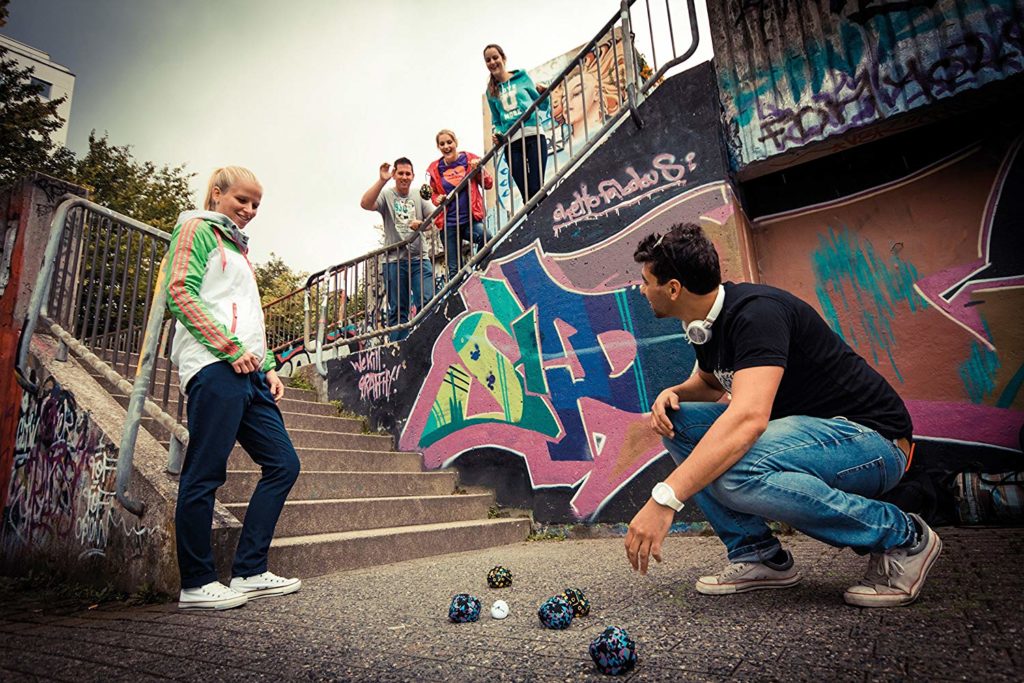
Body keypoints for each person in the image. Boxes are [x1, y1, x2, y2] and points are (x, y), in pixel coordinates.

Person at [624, 222, 941, 608]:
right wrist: (672, 393)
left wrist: (665, 499)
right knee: (681, 423)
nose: (642, 290)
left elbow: (749, 418)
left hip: (873, 442)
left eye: (646, 281)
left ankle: (903, 536)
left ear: (673, 288)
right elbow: (710, 384)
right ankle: (758, 555)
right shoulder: (707, 324)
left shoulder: (757, 314)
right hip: (817, 439)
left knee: (736, 471)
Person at [165, 166, 301, 610]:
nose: (249, 210)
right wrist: (226, 347)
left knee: (283, 463)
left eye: (256, 204)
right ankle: (196, 582)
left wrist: (268, 367)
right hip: (214, 365)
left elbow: (248, 315)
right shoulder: (196, 228)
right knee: (205, 472)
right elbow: (180, 292)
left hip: (249, 373)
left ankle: (249, 570)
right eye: (241, 200)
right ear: (217, 194)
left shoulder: (239, 250)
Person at [359, 158, 436, 342]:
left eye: (407, 174)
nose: (404, 177)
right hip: (393, 261)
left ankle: (427, 342)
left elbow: (433, 219)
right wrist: (382, 180)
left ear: (413, 176)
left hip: (419, 259)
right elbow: (365, 203)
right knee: (398, 311)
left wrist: (422, 225)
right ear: (394, 174)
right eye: (400, 173)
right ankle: (399, 349)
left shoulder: (418, 195)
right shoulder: (387, 195)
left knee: (428, 300)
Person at [484, 43, 550, 204]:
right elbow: (497, 120)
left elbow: (542, 105)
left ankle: (546, 220)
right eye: (488, 60)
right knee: (527, 194)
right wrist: (498, 134)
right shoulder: (491, 91)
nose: (492, 62)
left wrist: (545, 93)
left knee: (536, 187)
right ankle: (539, 225)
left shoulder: (522, 77)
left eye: (495, 57)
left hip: (533, 135)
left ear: (503, 58)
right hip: (512, 143)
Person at [426, 129, 494, 282]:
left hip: (470, 220)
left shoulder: (469, 159)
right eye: (442, 144)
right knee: (454, 270)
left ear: (455, 143)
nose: (446, 146)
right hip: (449, 224)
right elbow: (433, 194)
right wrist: (437, 199)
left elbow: (488, 184)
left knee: (486, 236)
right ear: (438, 147)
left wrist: (478, 170)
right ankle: (459, 298)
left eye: (449, 142)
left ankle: (479, 272)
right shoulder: (436, 169)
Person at [551, 28, 629, 145]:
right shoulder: (566, 148)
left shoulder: (612, 133)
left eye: (577, 93)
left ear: (597, 93)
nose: (567, 102)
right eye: (564, 98)